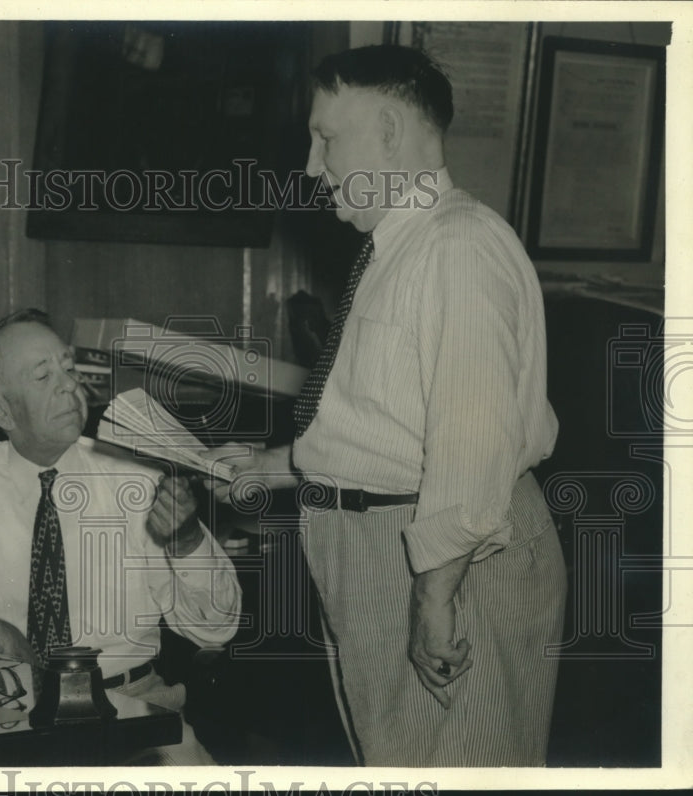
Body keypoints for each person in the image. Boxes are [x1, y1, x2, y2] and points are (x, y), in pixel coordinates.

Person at [207, 45, 567, 766]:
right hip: (393, 553)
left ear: (392, 132)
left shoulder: (457, 247)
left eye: (326, 138)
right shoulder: (398, 249)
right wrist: (278, 465)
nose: (313, 166)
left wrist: (437, 595)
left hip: (455, 560)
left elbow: (472, 440)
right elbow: (393, 421)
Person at [0, 309, 241, 764]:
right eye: (43, 376)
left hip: (135, 713)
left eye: (69, 368)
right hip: (1, 705)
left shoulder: (135, 474)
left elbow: (218, 626)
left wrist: (184, 539)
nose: (68, 386)